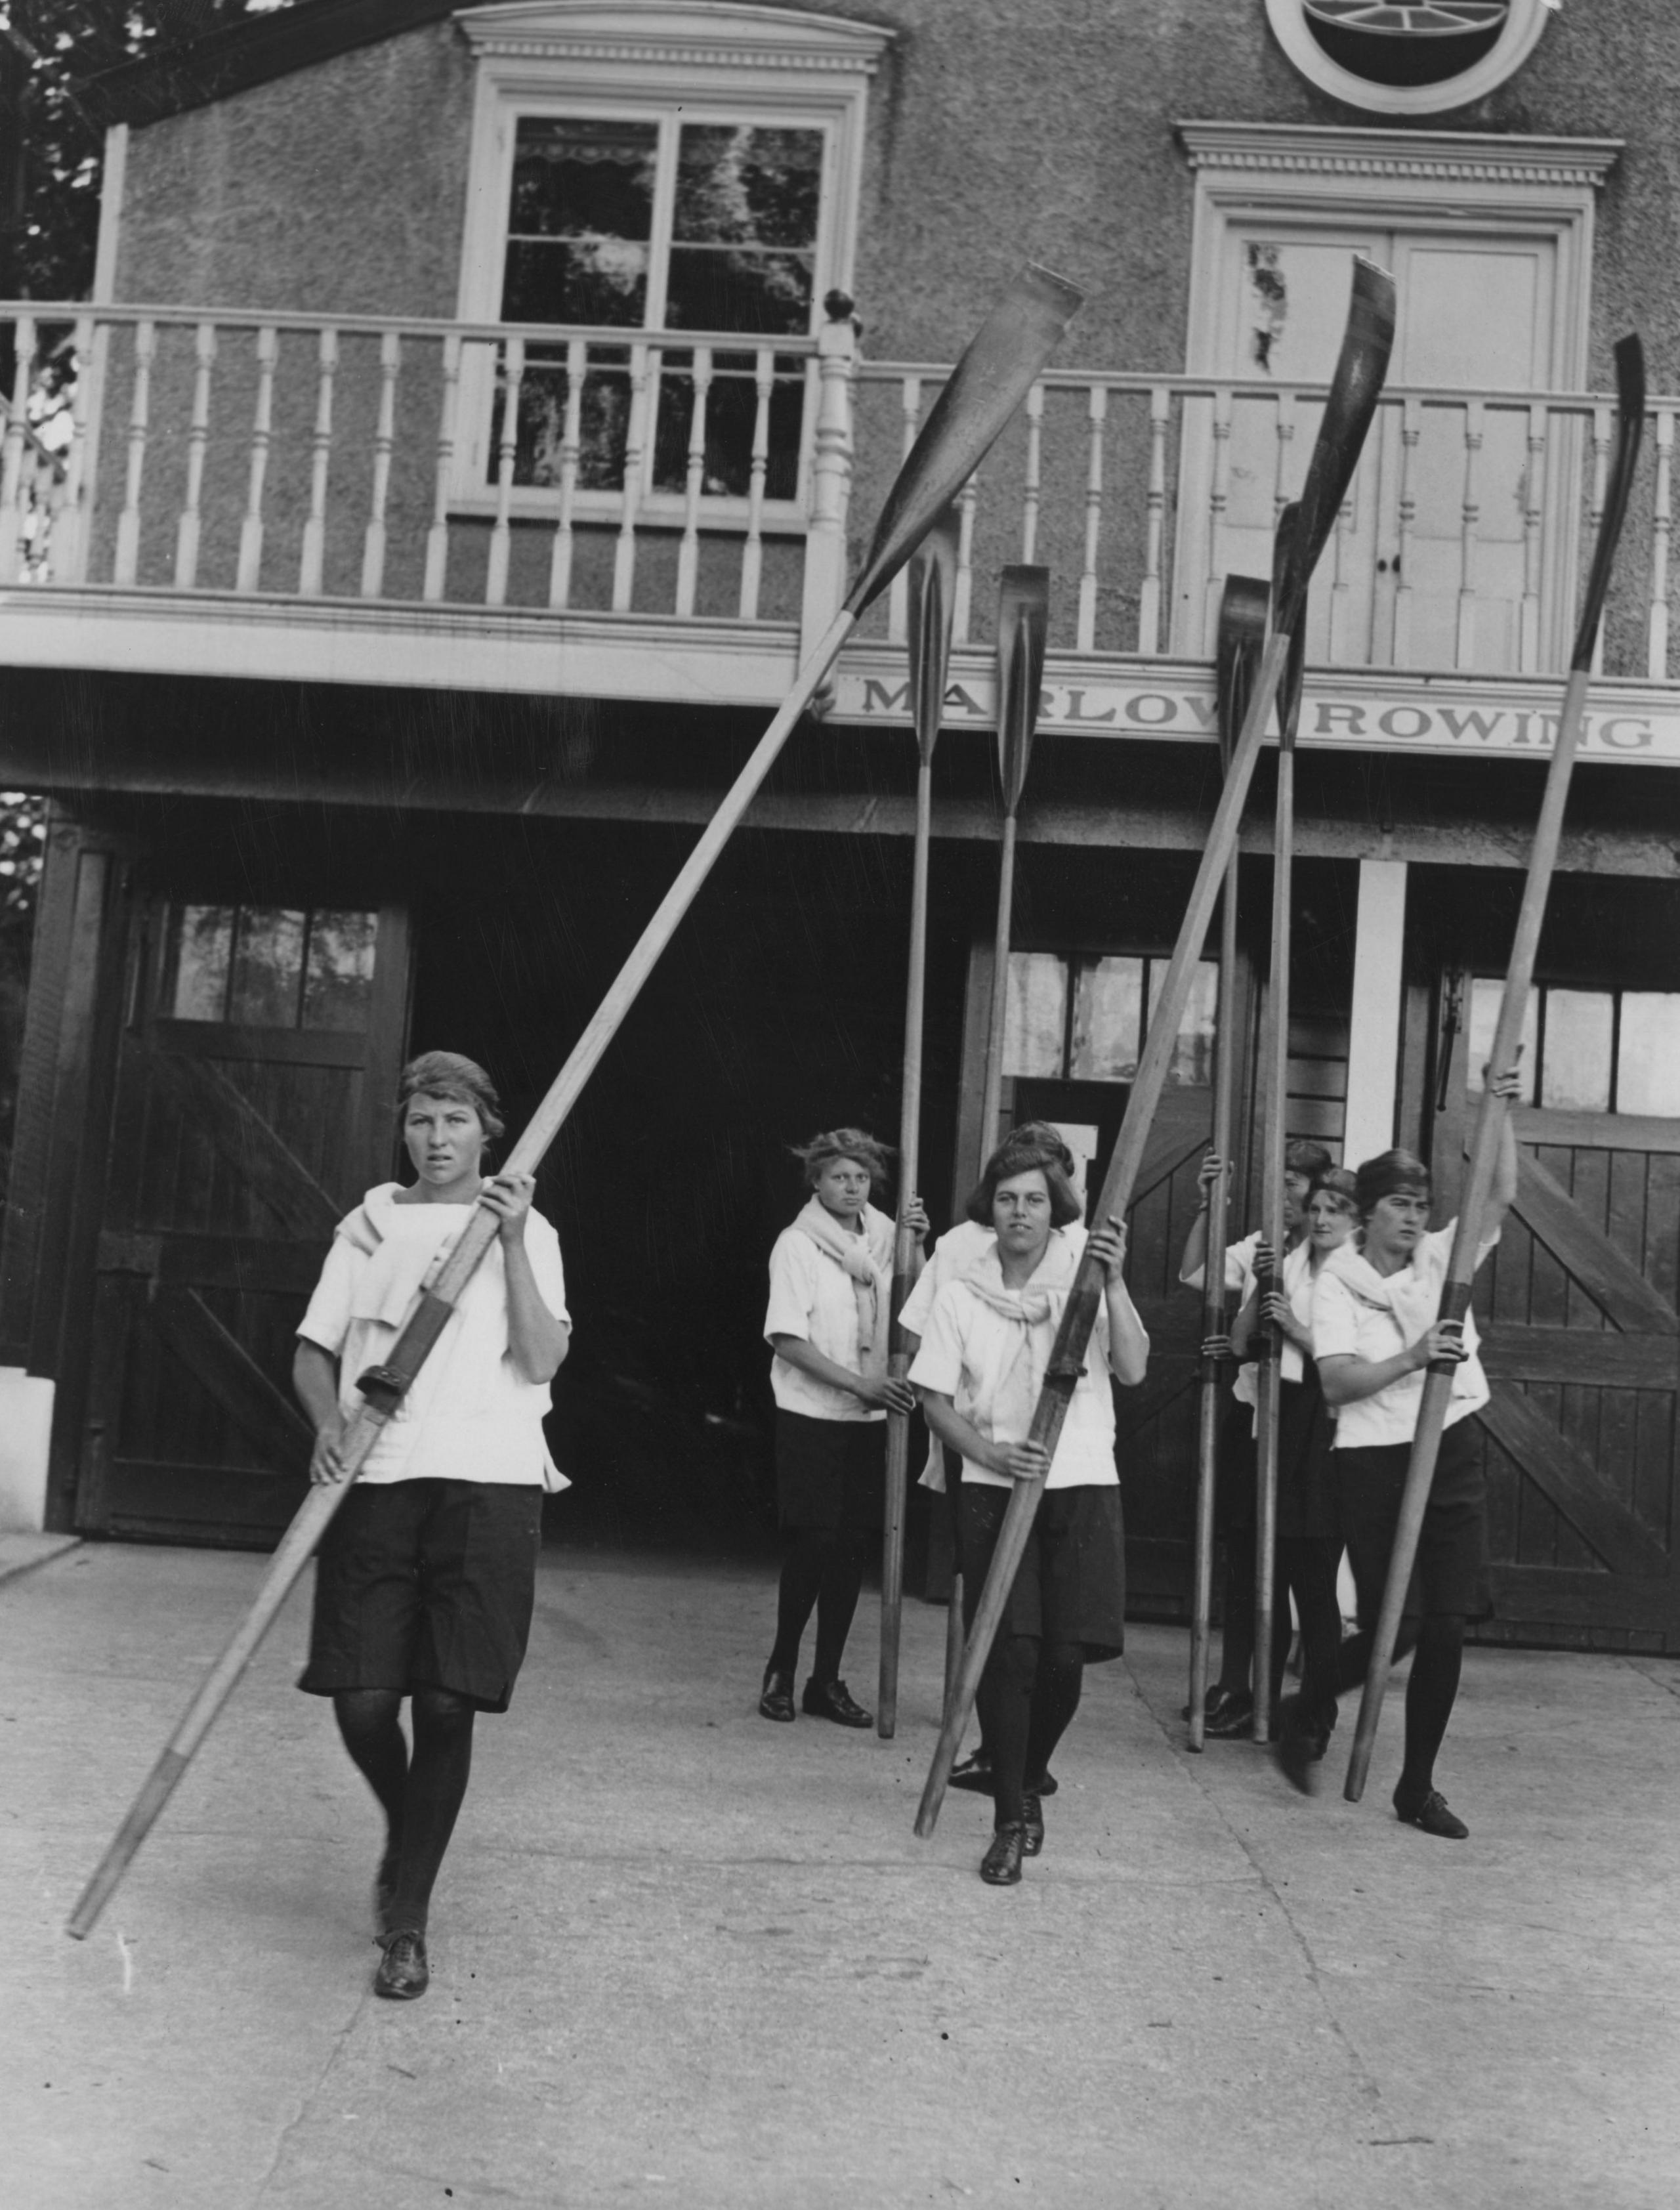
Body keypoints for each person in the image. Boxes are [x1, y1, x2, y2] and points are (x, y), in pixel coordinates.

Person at [293, 1051, 570, 2002]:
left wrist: (517, 1241)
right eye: (421, 1119)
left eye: (454, 1119)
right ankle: (408, 1828)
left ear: (490, 1129)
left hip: (490, 1484)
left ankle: (407, 1918)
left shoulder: (528, 1229)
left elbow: (540, 1359)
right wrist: (330, 1419)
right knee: (366, 1698)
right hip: (380, 1476)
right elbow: (313, 1349)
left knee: (447, 1701)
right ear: (404, 1128)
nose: (437, 1137)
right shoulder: (370, 1223)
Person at [910, 1134, 1149, 1886]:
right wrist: (985, 1455)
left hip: (1080, 1479)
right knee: (1005, 1651)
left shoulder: (1084, 1279)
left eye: (1036, 1199)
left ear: (1057, 1210)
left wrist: (1110, 1284)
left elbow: (1135, 1367)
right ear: (991, 1208)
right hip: (994, 1487)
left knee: (1065, 1655)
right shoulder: (960, 1290)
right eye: (1008, 1198)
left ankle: (1032, 1771)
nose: (1021, 1211)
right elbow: (932, 1398)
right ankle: (1009, 1817)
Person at [1311, 1069, 1522, 1838]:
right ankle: (1308, 1701)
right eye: (1399, 1204)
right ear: (1365, 1213)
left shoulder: (1443, 1257)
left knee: (1448, 1622)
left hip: (1450, 1440)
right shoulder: (1339, 1278)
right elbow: (1335, 1384)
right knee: (1393, 1624)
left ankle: (1417, 1785)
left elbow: (1497, 1191)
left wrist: (1495, 1110)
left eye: (1421, 1205)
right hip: (1372, 1455)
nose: (1414, 1217)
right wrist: (1412, 1356)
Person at [896, 1121, 1082, 1799]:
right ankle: (990, 1743)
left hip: (1061, 1465)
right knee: (992, 1619)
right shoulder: (960, 1250)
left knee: (1049, 1637)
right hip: (978, 1452)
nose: (1026, 1207)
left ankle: (1011, 1757)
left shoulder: (1084, 1254)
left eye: (1047, 1184)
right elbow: (921, 1333)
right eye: (1012, 1192)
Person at [760, 1128, 926, 1730]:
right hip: (813, 1412)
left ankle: (825, 1679)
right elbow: (787, 1338)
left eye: (860, 1176)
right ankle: (781, 1667)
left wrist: (919, 1243)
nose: (851, 1187)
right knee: (814, 1541)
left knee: (854, 1546)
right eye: (838, 1176)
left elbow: (919, 1304)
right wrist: (858, 1384)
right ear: (816, 1181)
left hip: (874, 1413)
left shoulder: (887, 1235)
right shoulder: (798, 1245)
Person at [1179, 1139, 1332, 1736]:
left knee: (1301, 1570)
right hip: (1255, 1418)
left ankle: (1298, 1707)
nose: (1287, 1195)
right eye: (1281, 1182)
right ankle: (1239, 1689)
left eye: (1297, 1183)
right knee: (1245, 1560)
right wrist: (1206, 1203)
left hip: (1310, 1428)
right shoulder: (1262, 1246)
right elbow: (1196, 1273)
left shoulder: (1337, 1259)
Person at [1228, 1167, 1359, 1787]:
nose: (1325, 1218)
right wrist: (1262, 1288)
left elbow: (1355, 1363)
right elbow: (1236, 1343)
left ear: (1356, 1219)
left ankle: (1316, 1716)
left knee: (1314, 1585)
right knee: (1268, 1576)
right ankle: (1264, 1700)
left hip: (1327, 1437)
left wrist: (1301, 1333)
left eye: (1338, 1209)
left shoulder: (1362, 1275)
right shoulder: (1290, 1261)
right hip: (1277, 1428)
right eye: (1318, 1206)